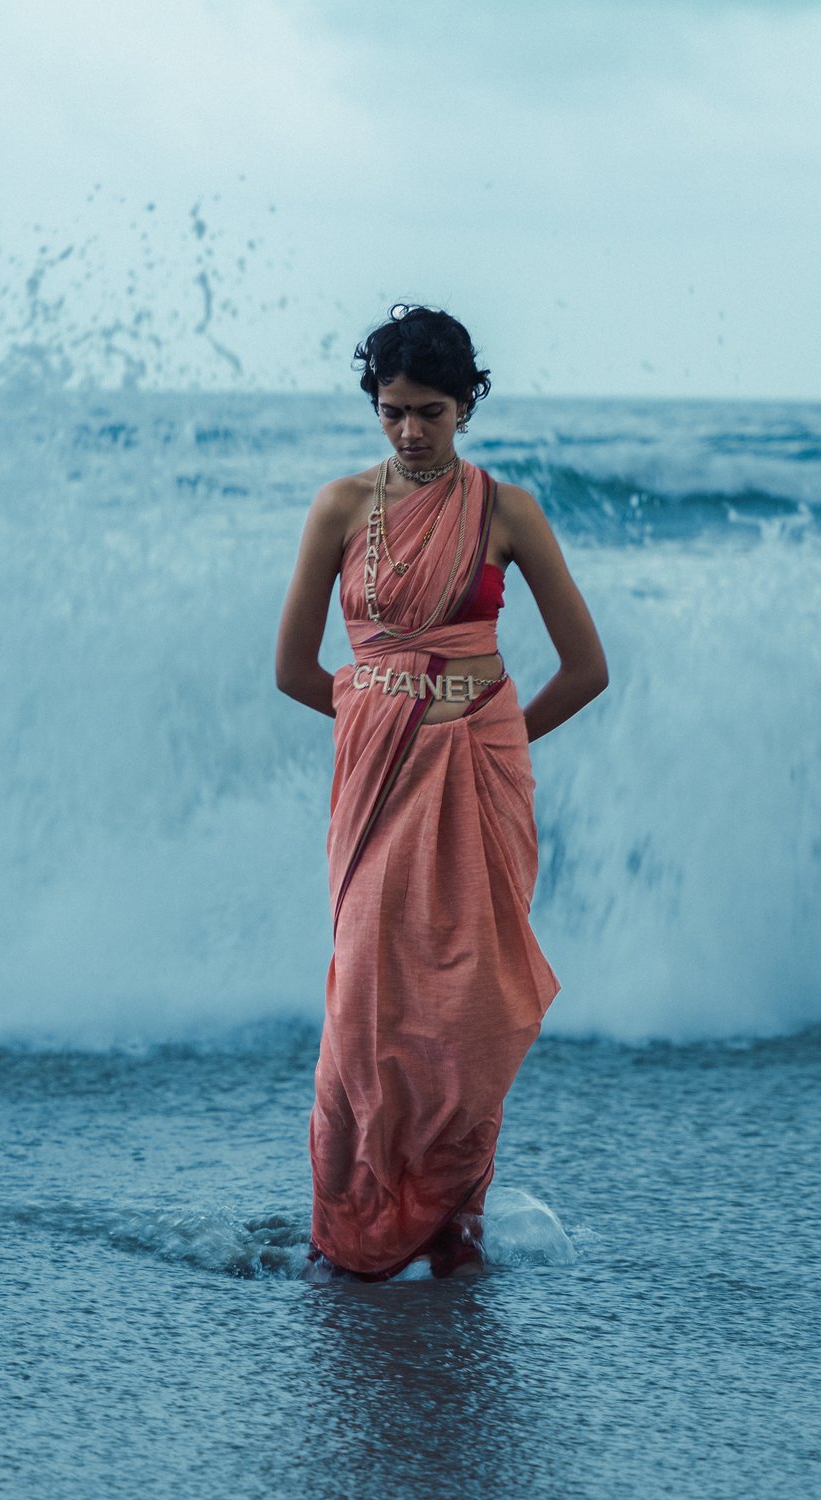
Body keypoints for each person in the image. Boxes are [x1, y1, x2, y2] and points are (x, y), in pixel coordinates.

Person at [274, 304, 609, 1280]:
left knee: (468, 1004)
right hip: (377, 782)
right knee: (368, 1006)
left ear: (467, 405)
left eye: (429, 410)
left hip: (479, 777)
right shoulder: (339, 508)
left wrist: (483, 734)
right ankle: (353, 1228)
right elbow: (297, 668)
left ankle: (452, 1222)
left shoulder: (509, 512)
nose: (409, 430)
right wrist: (388, 717)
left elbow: (586, 668)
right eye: (391, 412)